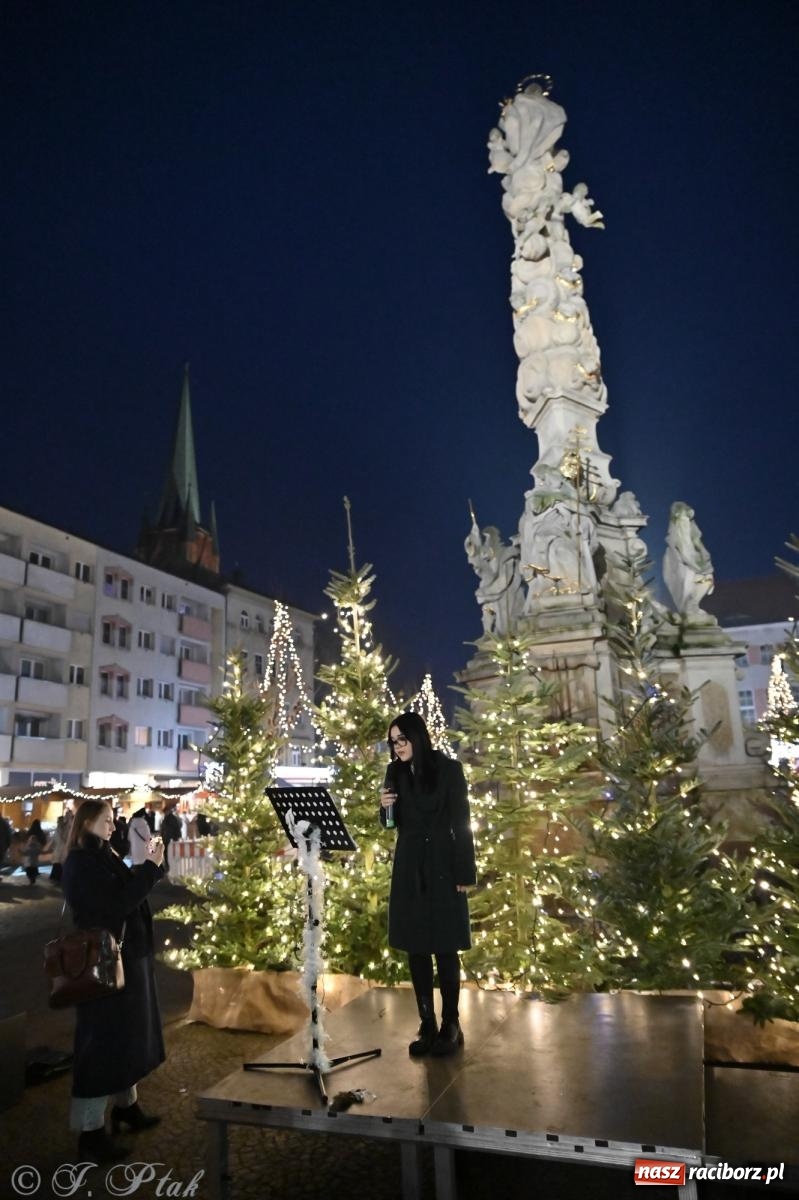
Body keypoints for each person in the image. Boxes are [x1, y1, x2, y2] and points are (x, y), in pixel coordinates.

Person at [62, 799, 166, 1161]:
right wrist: (149, 871)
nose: (113, 825)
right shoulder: (80, 863)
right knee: (101, 1044)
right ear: (86, 823)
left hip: (126, 958)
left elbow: (129, 890)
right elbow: (114, 906)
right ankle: (90, 1133)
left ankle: (127, 1107)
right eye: (106, 820)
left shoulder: (104, 854)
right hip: (102, 964)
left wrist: (151, 865)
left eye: (113, 819)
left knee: (126, 1036)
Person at [379, 712, 476, 1057]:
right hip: (409, 866)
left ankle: (451, 1024)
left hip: (443, 865)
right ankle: (427, 1023)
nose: (397, 747)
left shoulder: (449, 770)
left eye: (402, 740)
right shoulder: (395, 772)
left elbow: (462, 821)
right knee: (416, 946)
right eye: (393, 742)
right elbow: (390, 825)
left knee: (446, 947)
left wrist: (465, 872)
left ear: (417, 737)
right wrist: (385, 809)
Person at [49, 811, 72, 884]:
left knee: (59, 864)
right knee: (59, 864)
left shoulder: (64, 827)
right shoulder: (62, 828)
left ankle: (57, 878)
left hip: (61, 849)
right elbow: (58, 839)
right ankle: (57, 878)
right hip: (61, 849)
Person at [23, 818, 48, 885]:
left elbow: (26, 837)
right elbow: (43, 839)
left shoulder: (31, 831)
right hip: (37, 847)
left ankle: (31, 873)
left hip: (30, 848)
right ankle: (34, 873)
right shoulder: (40, 831)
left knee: (29, 859)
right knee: (35, 860)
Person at [159, 806, 182, 873]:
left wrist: (173, 837)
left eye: (165, 812)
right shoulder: (169, 818)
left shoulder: (170, 818)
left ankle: (169, 866)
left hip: (169, 839)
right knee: (168, 853)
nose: (164, 813)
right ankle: (169, 866)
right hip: (169, 839)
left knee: (168, 853)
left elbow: (171, 829)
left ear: (168, 811)